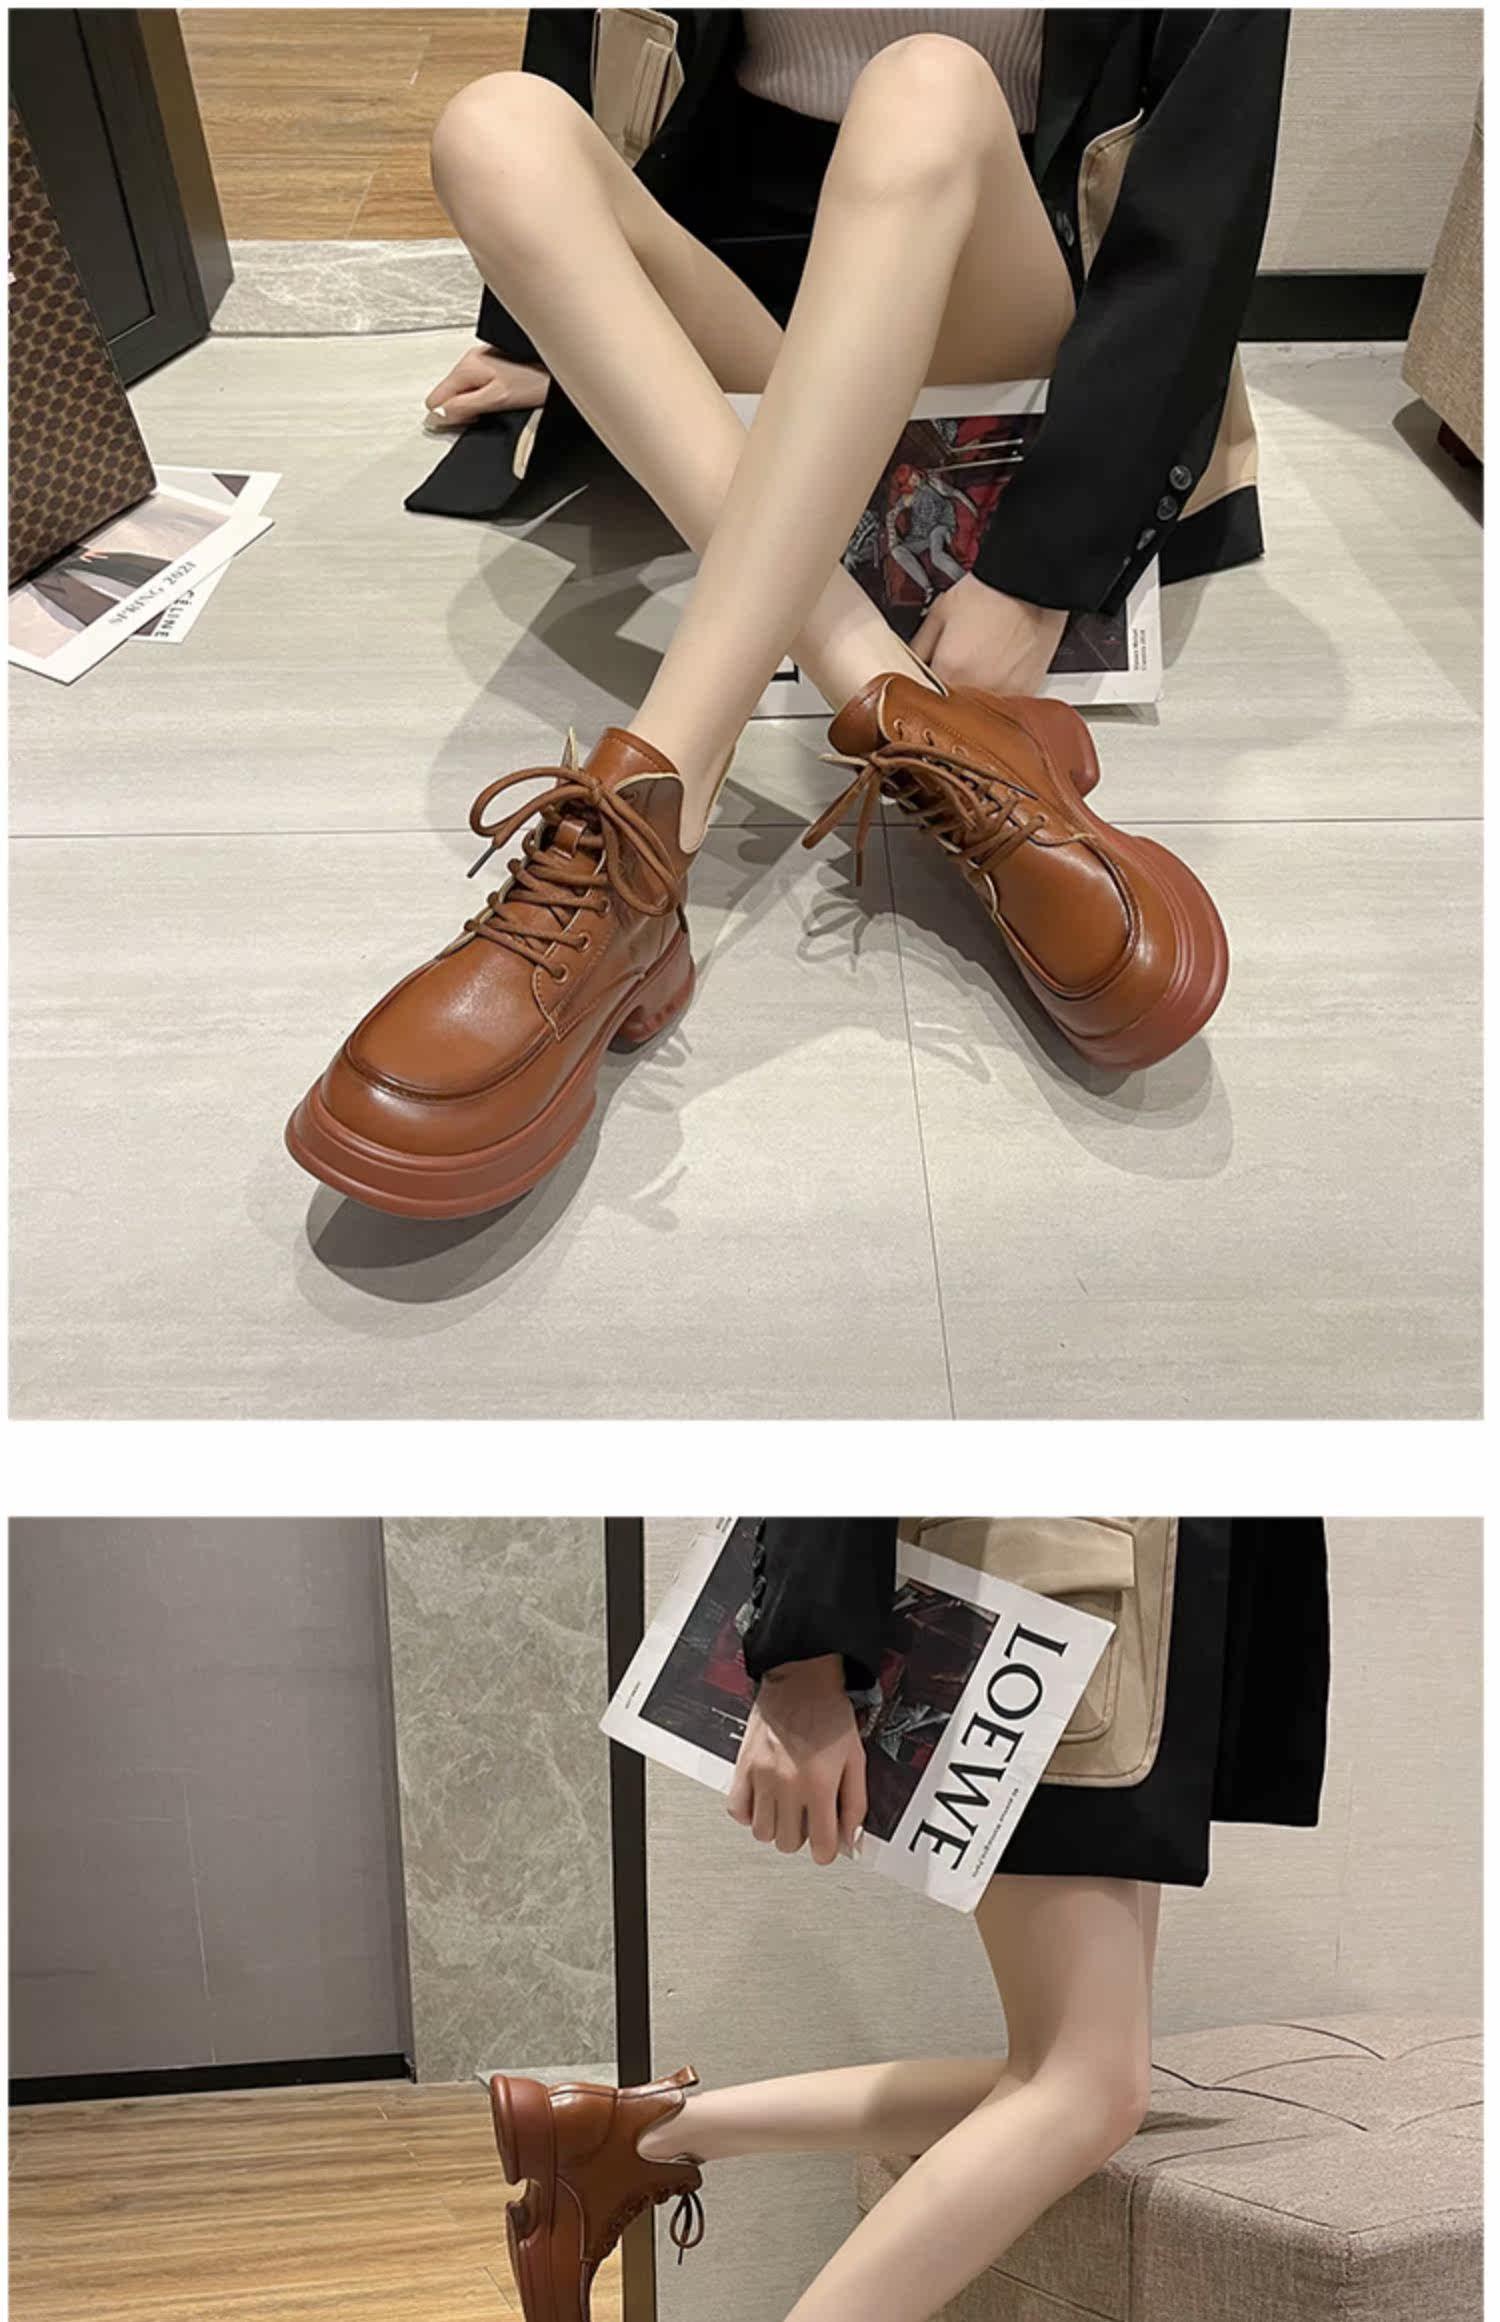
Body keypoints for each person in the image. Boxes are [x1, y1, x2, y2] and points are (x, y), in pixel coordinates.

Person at [286, 13, 1287, 1219]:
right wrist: (540, 321)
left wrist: (1039, 570)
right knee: (493, 128)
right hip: (761, 304)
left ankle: (650, 817)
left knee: (927, 83)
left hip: (990, 288)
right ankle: (906, 710)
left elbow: (1203, 196)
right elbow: (585, 42)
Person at [488, 1517, 1330, 2322]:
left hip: (1126, 1608)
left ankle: (629, 2139)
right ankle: (622, 2143)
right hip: (1067, 1605)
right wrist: (800, 1667)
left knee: (1086, 2077)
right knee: (1085, 2088)